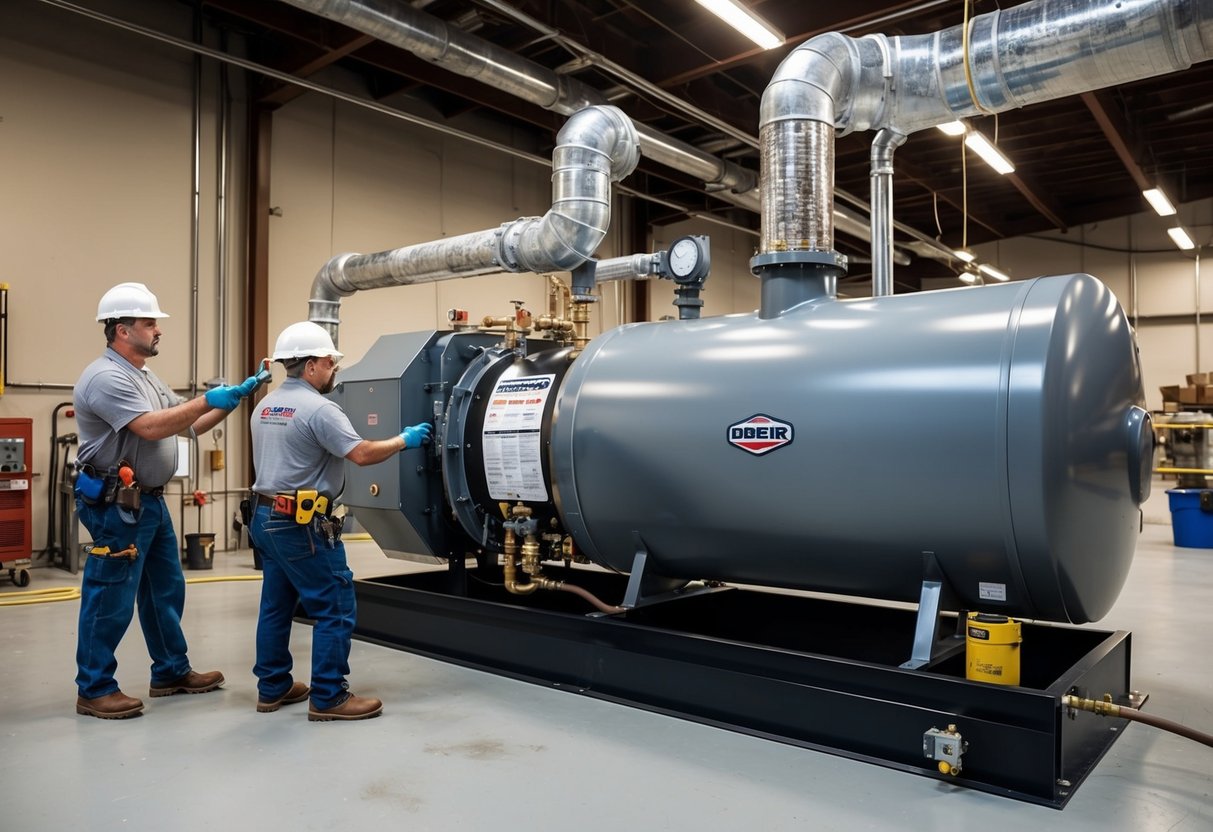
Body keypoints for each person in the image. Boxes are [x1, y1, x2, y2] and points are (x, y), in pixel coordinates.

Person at [73, 282, 267, 719]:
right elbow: (151, 428)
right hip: (115, 505)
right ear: (122, 330)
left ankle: (171, 671)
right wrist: (206, 398)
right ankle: (95, 687)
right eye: (149, 323)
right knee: (110, 596)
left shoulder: (144, 376)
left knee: (165, 590)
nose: (157, 330)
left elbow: (189, 424)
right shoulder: (105, 377)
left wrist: (237, 396)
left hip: (148, 504)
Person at [248, 321, 432, 722]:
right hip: (301, 523)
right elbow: (362, 454)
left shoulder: (265, 405)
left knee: (276, 606)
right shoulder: (320, 408)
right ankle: (329, 696)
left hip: (264, 517)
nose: (333, 369)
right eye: (330, 362)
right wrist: (406, 439)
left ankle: (272, 687)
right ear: (312, 365)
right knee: (334, 605)